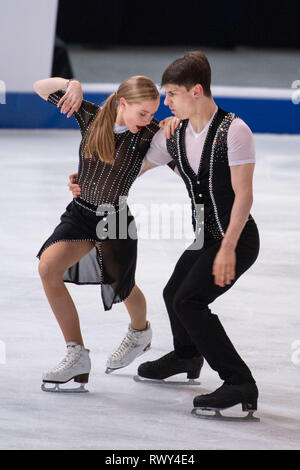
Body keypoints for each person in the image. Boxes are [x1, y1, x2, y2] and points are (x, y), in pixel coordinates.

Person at [133, 51, 260, 419]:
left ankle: (239, 381)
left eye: (171, 94)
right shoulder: (176, 134)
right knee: (174, 292)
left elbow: (244, 197)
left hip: (237, 239)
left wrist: (229, 248)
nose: (166, 102)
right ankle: (187, 356)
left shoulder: (234, 131)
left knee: (189, 300)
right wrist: (92, 184)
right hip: (206, 237)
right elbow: (135, 169)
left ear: (197, 91)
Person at [34, 75, 162, 391]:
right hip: (80, 213)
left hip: (114, 217)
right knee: (48, 267)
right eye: (142, 113)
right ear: (122, 103)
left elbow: (186, 147)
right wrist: (72, 84)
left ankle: (139, 332)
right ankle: (76, 353)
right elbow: (41, 87)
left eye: (152, 114)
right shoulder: (90, 116)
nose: (148, 120)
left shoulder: (149, 134)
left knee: (122, 283)